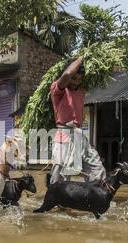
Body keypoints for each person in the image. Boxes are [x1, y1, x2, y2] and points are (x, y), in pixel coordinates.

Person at [49, 57, 106, 185]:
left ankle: (97, 192)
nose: (76, 82)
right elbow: (68, 74)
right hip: (63, 134)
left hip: (79, 134)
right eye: (74, 79)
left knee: (95, 165)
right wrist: (82, 58)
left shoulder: (81, 92)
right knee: (61, 171)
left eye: (80, 79)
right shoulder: (57, 90)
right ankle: (55, 198)